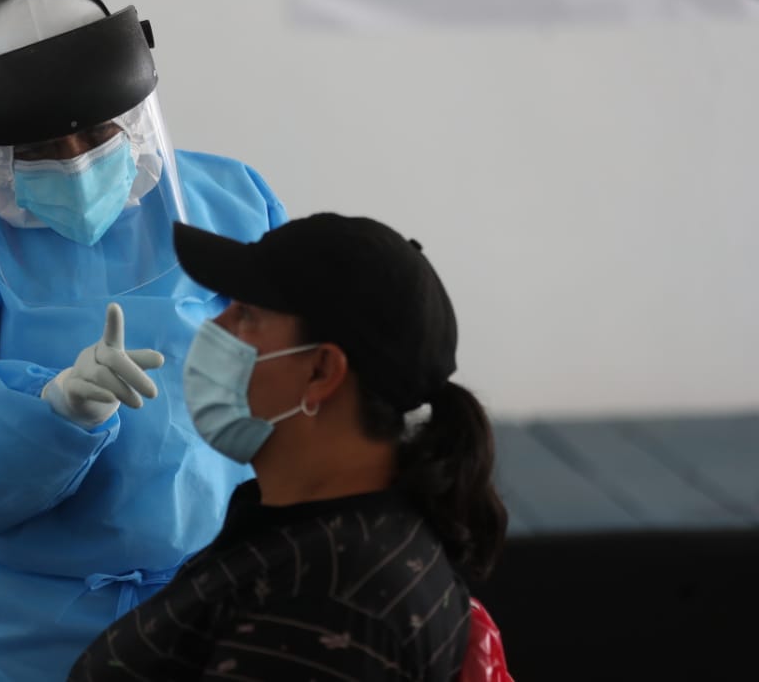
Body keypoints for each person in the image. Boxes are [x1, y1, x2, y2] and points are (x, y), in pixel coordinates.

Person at [0, 0, 287, 680]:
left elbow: (301, 387)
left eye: (95, 130)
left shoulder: (230, 203)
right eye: (43, 148)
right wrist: (51, 415)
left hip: (222, 605)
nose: (78, 161)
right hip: (29, 634)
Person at [71, 213, 509, 681]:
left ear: (321, 372)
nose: (213, 326)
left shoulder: (331, 603)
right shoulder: (315, 529)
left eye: (246, 314)